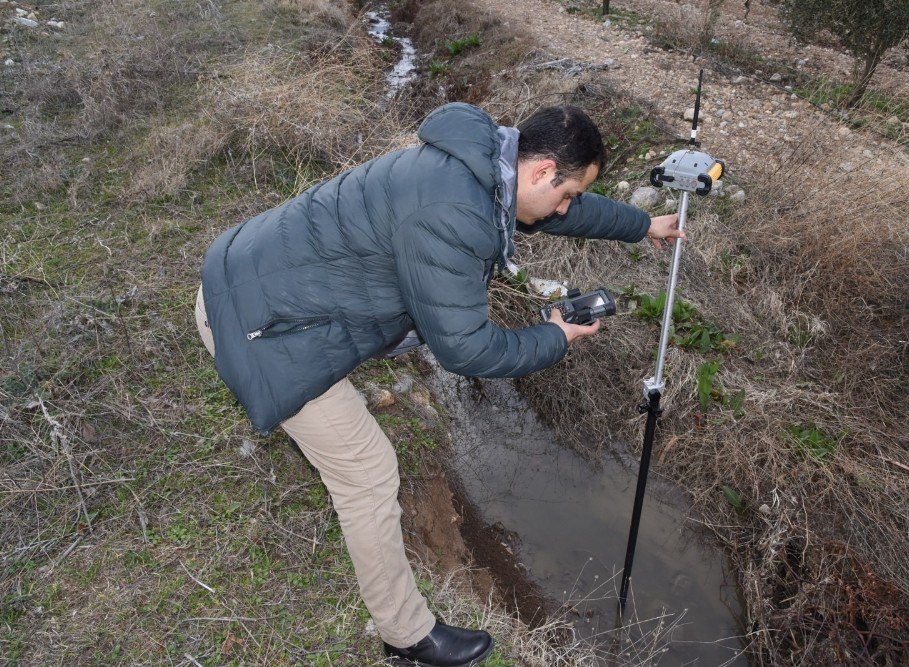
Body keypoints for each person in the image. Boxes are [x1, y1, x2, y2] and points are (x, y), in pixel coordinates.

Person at [195, 102, 683, 667]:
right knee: (367, 472)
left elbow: (552, 212)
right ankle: (407, 639)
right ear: (541, 170)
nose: (566, 206)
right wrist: (553, 335)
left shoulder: (479, 163)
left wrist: (643, 225)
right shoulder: (453, 213)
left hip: (255, 278)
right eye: (567, 191)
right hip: (261, 328)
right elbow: (466, 350)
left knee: (362, 456)